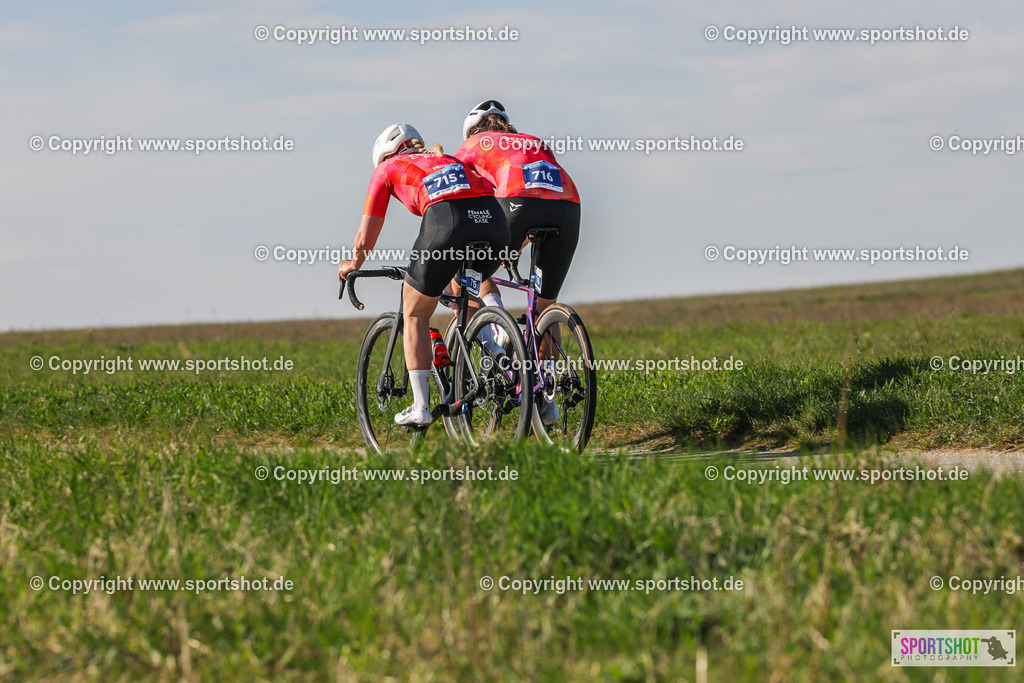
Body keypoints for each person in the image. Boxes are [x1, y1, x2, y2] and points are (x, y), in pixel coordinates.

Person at [339, 123, 509, 426]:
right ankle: (497, 353)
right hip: (494, 223)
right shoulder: (445, 159)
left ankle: (420, 407)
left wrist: (353, 265)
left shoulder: (387, 168)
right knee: (461, 290)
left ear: (384, 154)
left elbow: (366, 236)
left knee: (415, 310)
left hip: (449, 221)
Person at [455, 100, 581, 425]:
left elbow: (455, 189)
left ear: (473, 131)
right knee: (544, 307)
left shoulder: (472, 145)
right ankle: (547, 400)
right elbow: (541, 191)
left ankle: (499, 330)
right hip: (568, 206)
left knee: (468, 264)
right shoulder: (531, 140)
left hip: (517, 198)